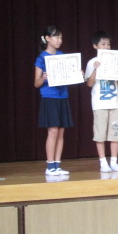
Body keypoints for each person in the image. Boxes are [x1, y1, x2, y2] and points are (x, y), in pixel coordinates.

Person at [34, 25, 75, 176]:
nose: (60, 40)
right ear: (47, 38)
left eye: (61, 37)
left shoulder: (61, 55)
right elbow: (36, 83)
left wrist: (77, 73)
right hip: (49, 97)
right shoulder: (41, 57)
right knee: (53, 131)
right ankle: (50, 165)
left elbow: (68, 76)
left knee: (61, 131)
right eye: (57, 37)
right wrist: (43, 78)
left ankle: (57, 165)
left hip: (63, 96)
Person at [85, 31, 118, 173]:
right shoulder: (92, 62)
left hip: (115, 103)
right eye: (103, 44)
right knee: (100, 134)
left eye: (108, 44)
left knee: (116, 134)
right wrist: (96, 70)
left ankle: (114, 162)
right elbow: (89, 83)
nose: (107, 47)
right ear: (95, 46)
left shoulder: (115, 61)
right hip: (99, 104)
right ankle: (103, 162)